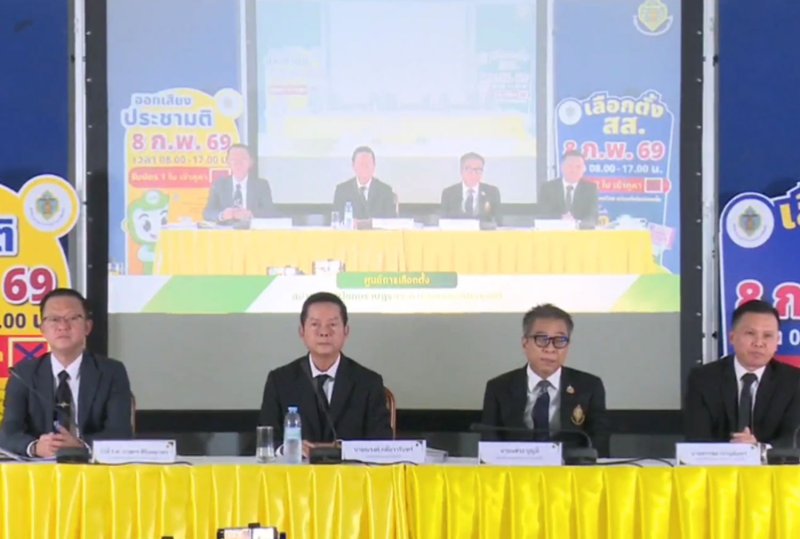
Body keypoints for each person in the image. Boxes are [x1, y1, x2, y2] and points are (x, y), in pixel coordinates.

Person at [0, 288, 132, 457]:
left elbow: (120, 432)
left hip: (94, 473)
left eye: (72, 318)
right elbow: (8, 433)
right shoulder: (23, 374)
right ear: (42, 328)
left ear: (87, 327)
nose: (63, 326)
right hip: (38, 474)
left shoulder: (112, 372)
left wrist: (82, 445)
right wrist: (34, 447)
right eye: (54, 319)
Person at [259, 292, 392, 447]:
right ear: (302, 332)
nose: (324, 332)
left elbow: (382, 442)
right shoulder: (280, 380)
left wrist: (345, 450)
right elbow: (266, 440)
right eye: (315, 324)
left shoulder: (368, 382)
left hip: (350, 470)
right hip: (296, 470)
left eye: (333, 324)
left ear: (346, 331)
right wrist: (291, 449)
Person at [481, 303, 609, 456]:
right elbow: (489, 447)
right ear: (525, 343)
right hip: (516, 472)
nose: (550, 349)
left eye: (560, 340)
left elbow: (599, 446)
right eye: (542, 339)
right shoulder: (498, 387)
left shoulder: (589, 386)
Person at [684, 300, 800, 446]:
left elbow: (794, 440)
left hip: (772, 467)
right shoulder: (703, 379)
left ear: (778, 341)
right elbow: (697, 438)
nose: (759, 343)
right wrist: (733, 452)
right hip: (718, 466)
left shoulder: (793, 382)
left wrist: (758, 449)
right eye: (750, 333)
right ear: (732, 337)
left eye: (767, 336)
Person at [202, 143, 276, 222]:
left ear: (251, 162)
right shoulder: (219, 185)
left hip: (252, 232)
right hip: (226, 232)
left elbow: (270, 212)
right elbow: (208, 213)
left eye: (243, 159)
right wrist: (222, 215)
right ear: (228, 162)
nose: (238, 163)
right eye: (234, 159)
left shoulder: (261, 185)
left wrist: (250, 214)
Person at [332, 146, 397, 219]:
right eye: (361, 164)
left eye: (367, 164)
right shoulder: (342, 191)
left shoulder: (385, 191)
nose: (364, 167)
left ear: (374, 166)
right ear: (353, 166)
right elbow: (336, 221)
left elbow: (391, 222)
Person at [537, 150, 598, 225]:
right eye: (570, 166)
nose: (573, 170)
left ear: (584, 169)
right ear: (562, 167)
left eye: (578, 167)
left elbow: (592, 215)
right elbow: (543, 213)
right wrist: (561, 218)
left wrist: (579, 224)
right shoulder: (548, 188)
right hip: (554, 232)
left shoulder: (590, 189)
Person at [440, 152, 502, 221]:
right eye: (469, 169)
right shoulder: (449, 193)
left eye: (478, 170)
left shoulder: (492, 192)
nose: (473, 173)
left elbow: (498, 222)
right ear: (461, 171)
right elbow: (444, 222)